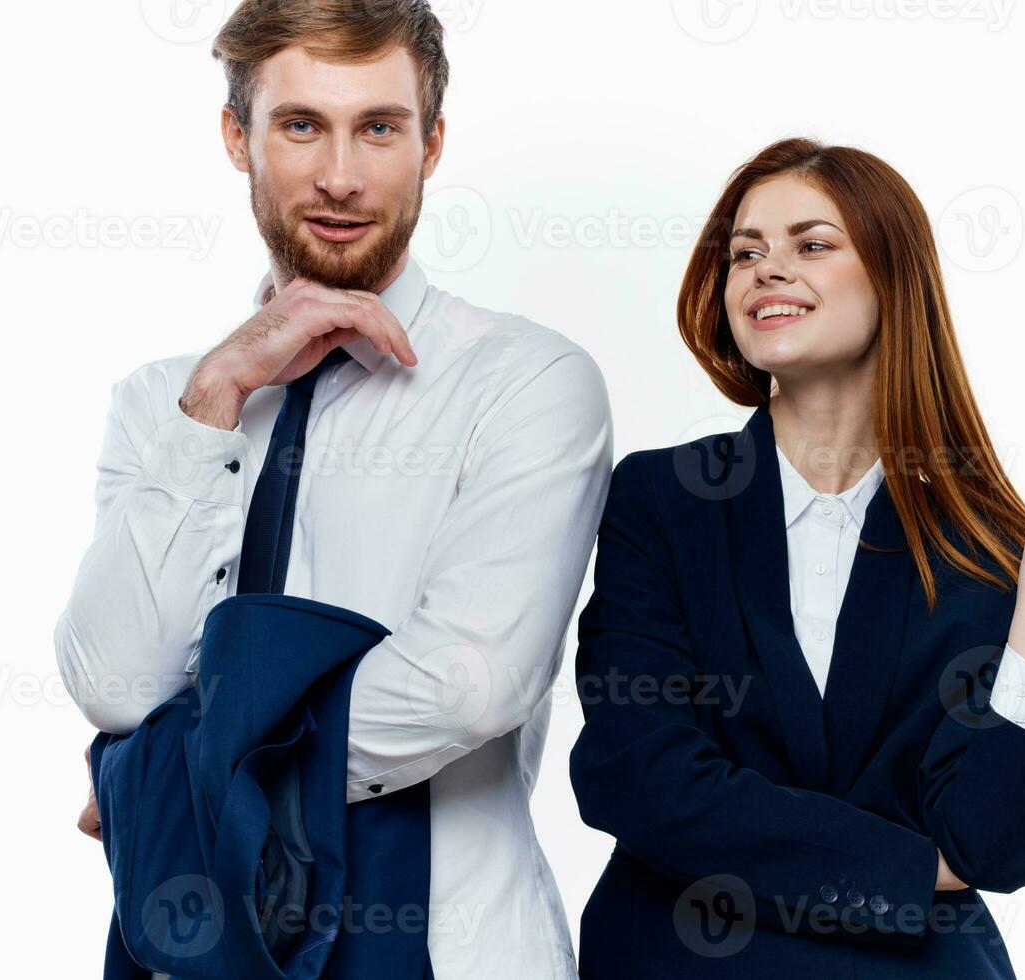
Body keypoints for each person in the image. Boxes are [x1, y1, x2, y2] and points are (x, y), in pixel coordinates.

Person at [53, 3, 611, 977]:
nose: (341, 177)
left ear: (431, 144)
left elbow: (467, 682)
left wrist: (178, 786)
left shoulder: (526, 381)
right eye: (301, 124)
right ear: (238, 136)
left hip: (450, 946)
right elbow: (116, 681)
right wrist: (216, 394)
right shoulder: (162, 404)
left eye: (379, 128)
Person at [568, 137, 1025, 978]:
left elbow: (994, 843)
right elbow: (637, 775)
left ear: (892, 277)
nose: (766, 270)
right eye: (745, 253)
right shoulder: (665, 500)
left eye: (811, 244)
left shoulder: (983, 541)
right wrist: (909, 870)